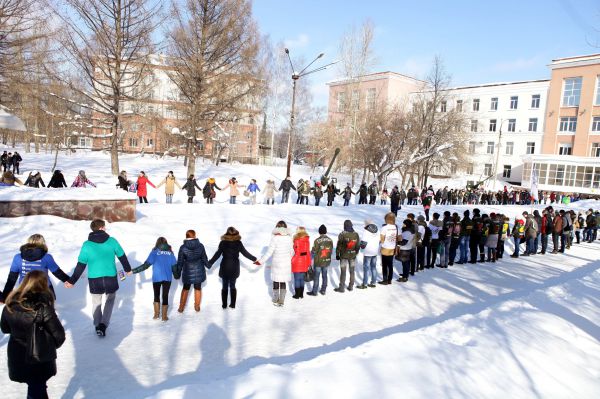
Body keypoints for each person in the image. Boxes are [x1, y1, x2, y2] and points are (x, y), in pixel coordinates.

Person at [1, 270, 66, 399]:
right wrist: (48, 346)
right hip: (38, 356)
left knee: (37, 387)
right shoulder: (43, 307)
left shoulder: (10, 305)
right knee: (36, 388)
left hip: (17, 353)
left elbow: (5, 329)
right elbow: (59, 335)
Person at [66, 219, 132, 337]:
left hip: (94, 279)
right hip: (110, 278)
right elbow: (122, 256)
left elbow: (81, 265)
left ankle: (97, 325)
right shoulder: (112, 241)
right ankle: (103, 324)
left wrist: (72, 281)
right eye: (104, 227)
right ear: (101, 228)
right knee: (110, 300)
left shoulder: (87, 245)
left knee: (96, 302)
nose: (106, 228)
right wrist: (127, 269)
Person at [2, 234, 70, 302]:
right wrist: (70, 281)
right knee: (48, 311)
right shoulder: (47, 257)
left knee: (26, 310)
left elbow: (12, 278)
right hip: (45, 289)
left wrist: (5, 296)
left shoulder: (17, 257)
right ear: (43, 243)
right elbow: (58, 272)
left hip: (24, 290)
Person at [208, 227, 258, 309]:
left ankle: (224, 305)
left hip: (225, 266)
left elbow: (217, 254)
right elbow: (245, 253)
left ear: (227, 233)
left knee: (224, 286)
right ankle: (233, 304)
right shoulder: (238, 243)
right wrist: (254, 259)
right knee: (232, 285)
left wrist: (209, 263)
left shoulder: (223, 243)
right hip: (234, 267)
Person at [132, 237, 176, 321]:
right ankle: (164, 316)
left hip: (157, 278)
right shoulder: (171, 254)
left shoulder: (154, 252)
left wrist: (133, 271)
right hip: (167, 278)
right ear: (166, 243)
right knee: (165, 296)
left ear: (157, 243)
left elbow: (145, 265)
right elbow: (174, 267)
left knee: (156, 295)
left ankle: (156, 315)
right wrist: (177, 276)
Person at [257, 221, 293, 306]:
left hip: (277, 263)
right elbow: (292, 252)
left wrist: (260, 261)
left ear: (277, 228)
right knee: (283, 281)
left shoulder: (275, 238)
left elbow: (269, 252)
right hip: (286, 264)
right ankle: (281, 300)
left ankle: (275, 298)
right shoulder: (289, 238)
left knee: (276, 280)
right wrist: (288, 258)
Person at [174, 230, 210, 313]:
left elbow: (180, 262)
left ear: (186, 236)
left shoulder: (183, 247)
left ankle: (181, 307)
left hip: (187, 271)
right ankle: (197, 307)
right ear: (194, 236)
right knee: (198, 288)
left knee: (185, 288)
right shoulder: (200, 246)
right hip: (199, 270)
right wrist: (208, 265)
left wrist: (178, 273)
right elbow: (204, 258)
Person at [307, 225, 333, 296]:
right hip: (326, 261)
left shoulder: (317, 241)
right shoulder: (330, 240)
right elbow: (331, 251)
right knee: (325, 275)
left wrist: (310, 258)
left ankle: (314, 291)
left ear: (319, 232)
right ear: (325, 231)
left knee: (316, 276)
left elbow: (313, 251)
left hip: (318, 261)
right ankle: (323, 290)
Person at [334, 220, 360, 293]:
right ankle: (351, 286)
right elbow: (358, 245)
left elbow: (339, 245)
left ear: (344, 226)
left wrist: (337, 254)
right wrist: (356, 252)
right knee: (352, 271)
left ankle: (341, 288)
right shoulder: (356, 234)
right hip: (352, 256)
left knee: (343, 272)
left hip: (343, 256)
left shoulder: (342, 234)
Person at [358, 220, 379, 289]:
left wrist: (360, 246)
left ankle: (365, 284)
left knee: (366, 268)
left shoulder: (366, 232)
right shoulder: (377, 231)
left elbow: (363, 244)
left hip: (368, 252)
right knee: (373, 267)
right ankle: (373, 282)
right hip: (375, 251)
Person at [291, 227, 310, 299]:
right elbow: (308, 252)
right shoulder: (307, 240)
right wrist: (308, 262)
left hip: (297, 262)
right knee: (302, 278)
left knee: (297, 279)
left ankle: (297, 295)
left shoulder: (297, 240)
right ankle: (301, 294)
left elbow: (297, 253)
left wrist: (292, 261)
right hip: (305, 261)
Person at [379, 212, 397, 285]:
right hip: (392, 248)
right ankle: (390, 279)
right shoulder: (396, 227)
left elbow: (382, 239)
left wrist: (383, 243)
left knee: (384, 265)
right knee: (390, 265)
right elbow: (399, 237)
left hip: (385, 248)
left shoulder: (384, 228)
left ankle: (385, 279)